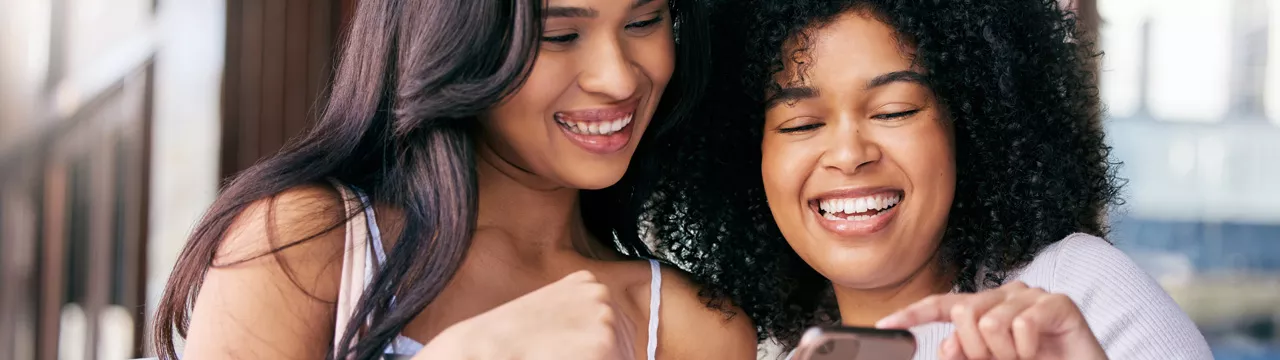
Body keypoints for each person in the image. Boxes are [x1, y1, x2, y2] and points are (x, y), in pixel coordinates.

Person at [152, 0, 757, 359]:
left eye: (644, 21)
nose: (618, 79)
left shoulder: (690, 330)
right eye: (560, 34)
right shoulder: (303, 248)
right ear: (454, 37)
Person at [646, 0, 1214, 359]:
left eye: (894, 111)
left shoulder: (1075, 291)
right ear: (751, 160)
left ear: (969, 123)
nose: (848, 154)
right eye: (801, 122)